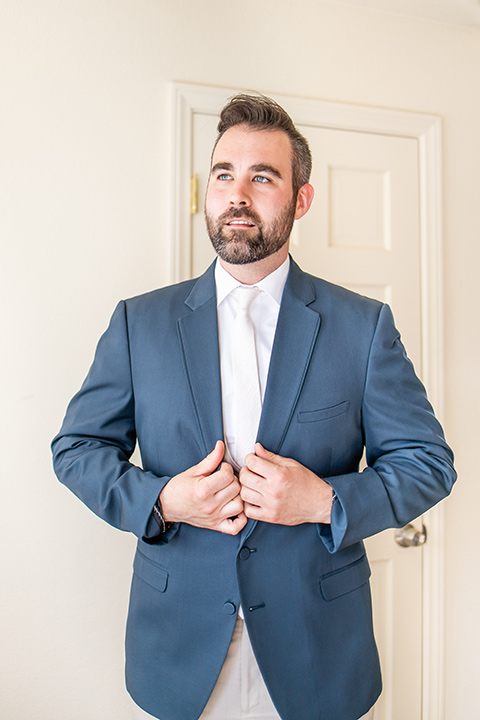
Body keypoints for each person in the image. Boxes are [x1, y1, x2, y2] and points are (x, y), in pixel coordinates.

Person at [52, 93, 456, 720]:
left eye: (262, 176)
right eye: (224, 175)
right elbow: (76, 450)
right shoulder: (139, 323)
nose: (237, 194)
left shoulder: (362, 327)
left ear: (301, 199)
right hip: (178, 648)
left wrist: (325, 501)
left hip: (319, 651)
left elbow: (428, 461)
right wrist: (162, 501)